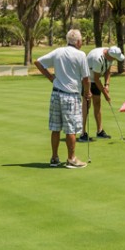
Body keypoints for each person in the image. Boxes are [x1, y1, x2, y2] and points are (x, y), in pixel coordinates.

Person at [33, 28, 92, 168]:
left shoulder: (58, 51)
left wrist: (51, 78)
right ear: (78, 41)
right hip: (70, 96)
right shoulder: (81, 55)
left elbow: (38, 62)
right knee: (70, 129)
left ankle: (54, 158)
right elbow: (86, 78)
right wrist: (87, 92)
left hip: (56, 94)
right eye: (81, 40)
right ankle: (71, 159)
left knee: (56, 127)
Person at [79, 45, 124, 142]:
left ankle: (99, 131)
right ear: (110, 55)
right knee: (87, 104)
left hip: (95, 80)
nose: (115, 60)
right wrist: (105, 94)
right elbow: (95, 78)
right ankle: (83, 133)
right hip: (86, 79)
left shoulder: (110, 55)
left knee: (97, 103)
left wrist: (107, 85)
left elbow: (107, 71)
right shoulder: (97, 58)